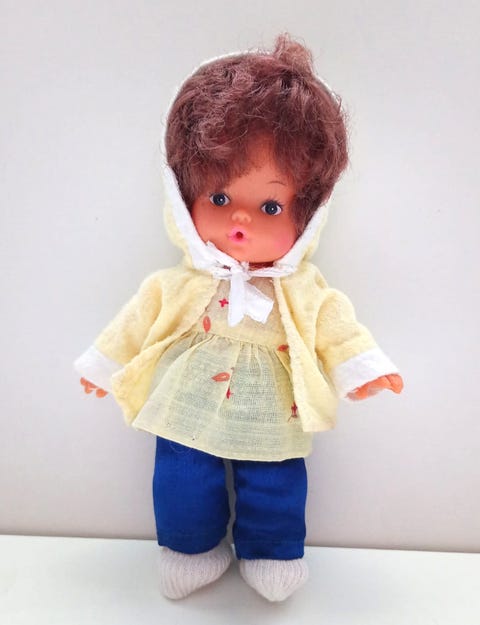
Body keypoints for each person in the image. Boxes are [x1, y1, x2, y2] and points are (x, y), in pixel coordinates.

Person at [75, 34, 403, 602]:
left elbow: (334, 324)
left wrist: (361, 368)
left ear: (309, 213)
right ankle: (190, 547)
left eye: (270, 206)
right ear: (183, 197)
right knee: (181, 472)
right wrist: (105, 365)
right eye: (220, 199)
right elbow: (138, 319)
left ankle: (272, 550)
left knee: (275, 478)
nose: (240, 221)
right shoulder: (181, 283)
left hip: (273, 405)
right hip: (187, 398)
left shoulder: (300, 288)